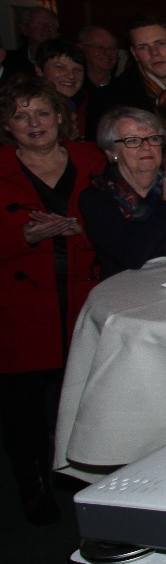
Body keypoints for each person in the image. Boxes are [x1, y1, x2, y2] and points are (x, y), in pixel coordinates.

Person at [0, 76, 104, 524]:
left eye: (42, 112)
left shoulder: (92, 157)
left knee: (85, 401)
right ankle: (34, 488)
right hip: (21, 307)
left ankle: (89, 482)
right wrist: (22, 236)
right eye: (20, 115)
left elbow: (123, 216)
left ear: (61, 117)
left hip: (85, 294)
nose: (34, 122)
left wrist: (86, 229)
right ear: (7, 125)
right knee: (22, 410)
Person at [80, 107, 166, 277]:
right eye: (132, 140)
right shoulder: (96, 198)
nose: (146, 146)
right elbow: (132, 257)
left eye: (153, 139)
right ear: (112, 152)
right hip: (127, 287)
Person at [91, 14, 166, 173]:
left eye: (161, 44)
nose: (154, 53)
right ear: (134, 54)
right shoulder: (111, 98)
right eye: (143, 47)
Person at [34, 39, 88, 139]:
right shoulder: (27, 107)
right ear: (39, 70)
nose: (71, 76)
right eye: (60, 67)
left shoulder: (85, 103)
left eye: (77, 70)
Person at [1, 7, 59, 82]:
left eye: (51, 24)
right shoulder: (7, 61)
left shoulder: (69, 60)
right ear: (24, 29)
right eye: (39, 24)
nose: (46, 29)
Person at [77, 25, 120, 91]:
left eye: (112, 48)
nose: (107, 53)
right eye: (99, 47)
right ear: (81, 49)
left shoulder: (125, 87)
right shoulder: (73, 87)